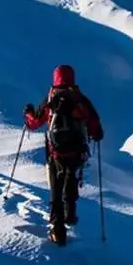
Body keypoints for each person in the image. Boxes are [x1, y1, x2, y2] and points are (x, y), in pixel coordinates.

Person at [24, 64, 104, 245]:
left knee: (55, 189)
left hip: (54, 153)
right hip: (76, 152)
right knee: (71, 180)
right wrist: (94, 134)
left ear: (55, 78)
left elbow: (34, 122)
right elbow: (96, 129)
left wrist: (28, 113)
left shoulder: (50, 99)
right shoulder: (80, 100)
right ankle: (70, 216)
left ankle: (57, 230)